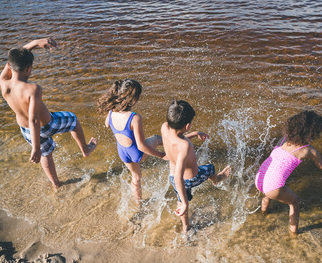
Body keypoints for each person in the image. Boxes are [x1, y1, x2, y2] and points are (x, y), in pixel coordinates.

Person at [0, 38, 97, 190]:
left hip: (25, 131)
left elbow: (14, 58)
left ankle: (56, 184)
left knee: (46, 155)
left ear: (9, 66)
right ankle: (85, 149)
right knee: (73, 120)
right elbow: (34, 119)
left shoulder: (3, 82)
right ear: (28, 69)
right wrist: (35, 149)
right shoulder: (33, 89)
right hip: (46, 125)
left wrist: (35, 43)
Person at [255, 110, 322, 237]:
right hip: (272, 186)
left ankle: (263, 213)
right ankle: (294, 234)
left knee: (268, 192)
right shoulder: (309, 150)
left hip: (260, 177)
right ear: (312, 133)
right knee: (294, 201)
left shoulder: (284, 139)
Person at [161, 100, 231, 233]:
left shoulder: (165, 128)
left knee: (181, 200)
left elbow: (175, 140)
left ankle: (186, 226)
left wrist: (193, 134)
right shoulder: (185, 146)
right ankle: (216, 179)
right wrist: (186, 203)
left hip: (172, 176)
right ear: (187, 125)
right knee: (209, 168)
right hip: (188, 179)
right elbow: (178, 177)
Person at [97, 79, 166, 206]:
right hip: (136, 153)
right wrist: (161, 155)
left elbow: (107, 124)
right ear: (134, 99)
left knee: (136, 176)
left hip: (122, 152)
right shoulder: (134, 117)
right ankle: (175, 145)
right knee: (156, 138)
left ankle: (138, 204)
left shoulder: (111, 112)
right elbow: (141, 146)